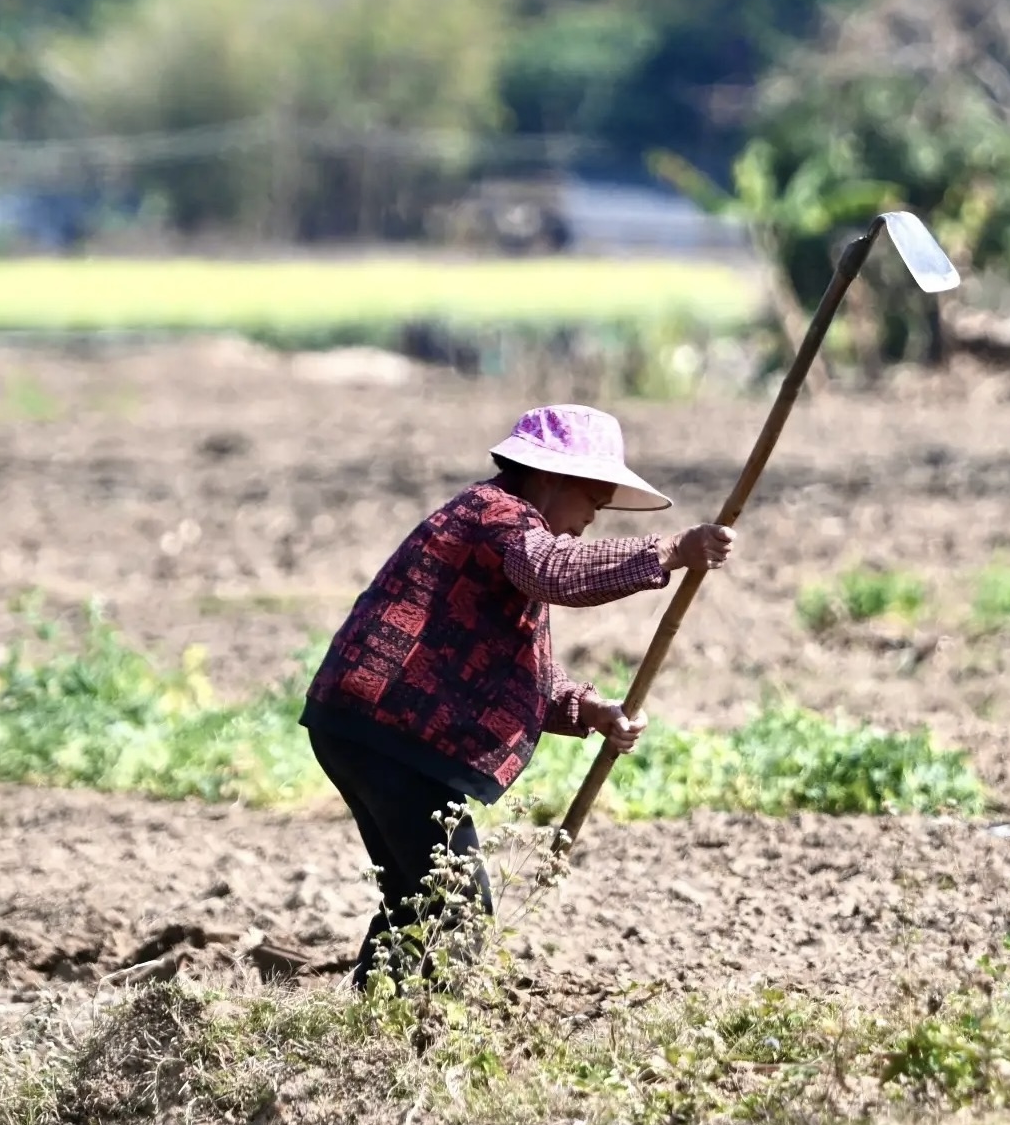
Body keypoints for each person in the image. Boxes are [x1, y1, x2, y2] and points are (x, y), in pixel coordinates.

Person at [300, 403, 732, 981]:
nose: (591, 521)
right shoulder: (500, 519)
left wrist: (588, 709)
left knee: (416, 901)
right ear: (553, 479)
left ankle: (373, 1038)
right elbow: (555, 572)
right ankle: (416, 1043)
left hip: (367, 729)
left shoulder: (495, 526)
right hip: (390, 734)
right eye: (593, 502)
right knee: (458, 911)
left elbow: (501, 664)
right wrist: (670, 552)